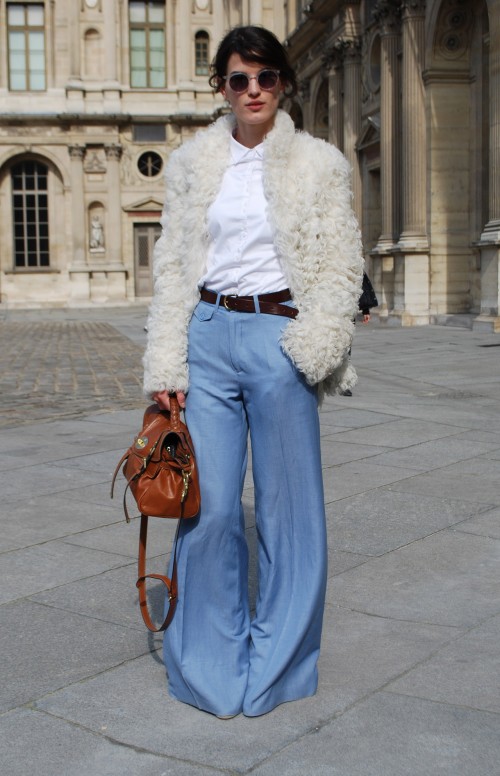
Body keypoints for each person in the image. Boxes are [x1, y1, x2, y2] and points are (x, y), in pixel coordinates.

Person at [143, 25, 364, 719]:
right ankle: (209, 667)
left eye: (267, 77)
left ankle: (276, 667)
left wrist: (315, 344)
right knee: (205, 512)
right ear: (222, 87)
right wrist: (166, 361)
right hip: (207, 336)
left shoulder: (320, 163)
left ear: (284, 84)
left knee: (289, 512)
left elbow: (339, 263)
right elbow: (175, 264)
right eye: (240, 79)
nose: (254, 91)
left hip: (279, 336)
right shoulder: (191, 165)